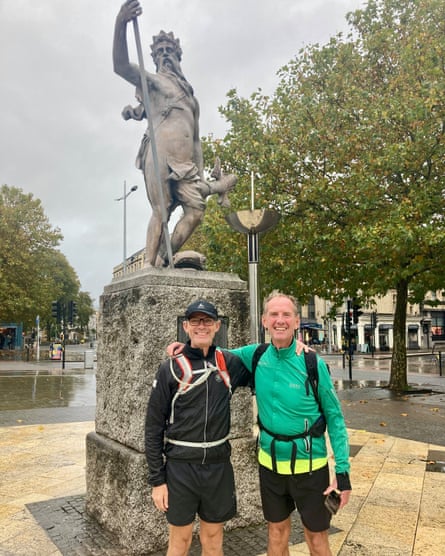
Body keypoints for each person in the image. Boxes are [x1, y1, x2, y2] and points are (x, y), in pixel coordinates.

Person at [168, 291, 351, 556]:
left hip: (311, 469)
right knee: (276, 535)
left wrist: (342, 473)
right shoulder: (256, 355)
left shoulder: (312, 362)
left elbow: (335, 417)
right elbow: (214, 353)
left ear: (297, 322)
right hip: (270, 467)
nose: (280, 320)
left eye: (286, 315)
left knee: (317, 539)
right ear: (264, 321)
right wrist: (184, 348)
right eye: (274, 315)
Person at [113, 1, 237, 267]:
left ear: (178, 56)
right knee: (161, 211)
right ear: (155, 58)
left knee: (196, 212)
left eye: (170, 51)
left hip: (186, 165)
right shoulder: (154, 83)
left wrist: (202, 176)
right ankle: (148, 265)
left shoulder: (191, 99)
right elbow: (121, 66)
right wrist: (120, 23)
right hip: (159, 153)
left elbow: (196, 142)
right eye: (160, 52)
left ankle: (162, 259)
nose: (166, 54)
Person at [144, 300, 251, 555]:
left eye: (207, 321)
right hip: (181, 468)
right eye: (195, 321)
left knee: (213, 539)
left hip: (218, 465)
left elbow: (264, 360)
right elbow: (153, 427)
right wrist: (157, 480)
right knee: (179, 542)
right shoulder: (170, 368)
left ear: (217, 326)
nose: (201, 326)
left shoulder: (228, 363)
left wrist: (295, 345)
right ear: (186, 326)